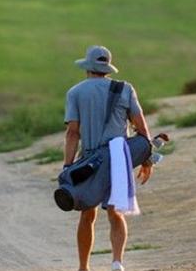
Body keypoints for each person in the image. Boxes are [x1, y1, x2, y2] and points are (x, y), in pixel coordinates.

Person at [64, 45, 154, 271]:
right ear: (107, 68)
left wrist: (68, 165)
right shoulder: (125, 89)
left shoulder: (75, 92)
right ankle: (117, 263)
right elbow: (142, 129)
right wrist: (147, 159)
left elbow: (73, 133)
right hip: (119, 157)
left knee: (87, 214)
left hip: (91, 159)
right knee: (116, 212)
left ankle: (84, 267)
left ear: (87, 67)